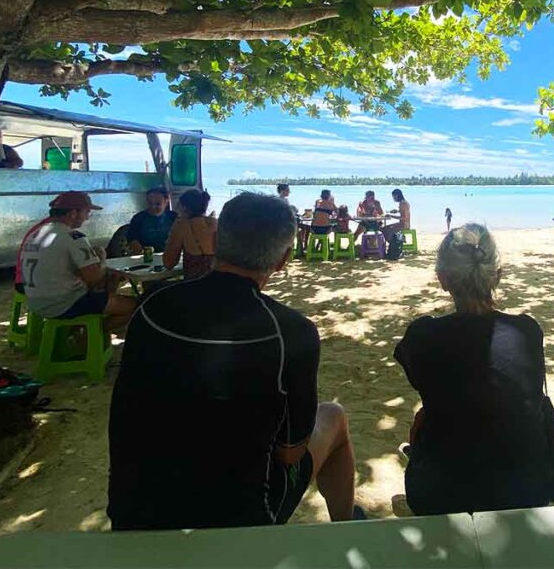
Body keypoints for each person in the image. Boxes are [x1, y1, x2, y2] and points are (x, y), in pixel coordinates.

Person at [108, 193, 364, 530]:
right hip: (239, 514)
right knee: (334, 416)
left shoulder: (152, 310)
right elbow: (291, 453)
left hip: (136, 508)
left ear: (216, 240)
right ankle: (346, 526)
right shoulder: (291, 331)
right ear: (283, 259)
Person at [394, 224, 554, 515]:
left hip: (443, 495)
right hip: (528, 489)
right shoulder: (527, 330)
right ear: (497, 275)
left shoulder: (423, 335)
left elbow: (429, 385)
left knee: (425, 415)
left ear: (442, 279)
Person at [18, 191, 137, 333]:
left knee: (104, 288)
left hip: (35, 302)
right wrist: (102, 258)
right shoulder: (73, 236)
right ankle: (86, 337)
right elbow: (94, 278)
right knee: (137, 305)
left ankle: (84, 330)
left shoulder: (35, 234)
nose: (87, 217)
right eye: (86, 212)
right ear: (73, 213)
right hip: (64, 303)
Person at [162, 189, 216, 279]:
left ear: (184, 207)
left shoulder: (181, 226)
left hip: (194, 287)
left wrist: (171, 236)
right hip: (222, 286)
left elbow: (169, 263)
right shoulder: (217, 223)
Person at [126, 187, 176, 256]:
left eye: (158, 204)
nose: (153, 207)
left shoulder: (174, 217)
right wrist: (138, 249)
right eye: (150, 203)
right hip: (147, 257)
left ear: (166, 202)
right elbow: (132, 239)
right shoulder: (138, 218)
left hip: (170, 255)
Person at [278, 183, 309, 252]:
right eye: (288, 190)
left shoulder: (279, 200)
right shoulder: (283, 201)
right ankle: (303, 248)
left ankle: (301, 248)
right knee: (305, 228)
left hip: (284, 223)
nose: (289, 192)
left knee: (303, 228)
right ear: (283, 191)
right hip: (285, 224)